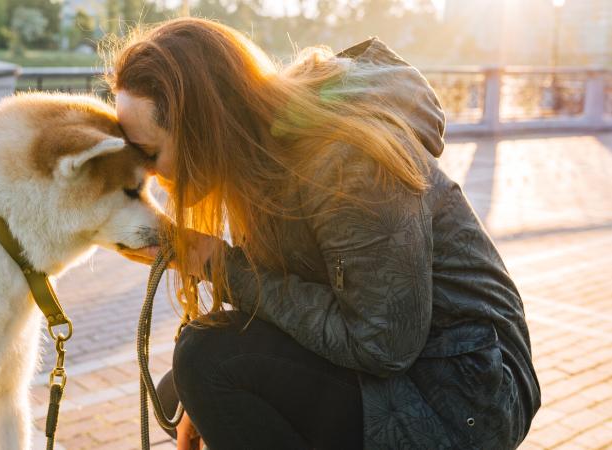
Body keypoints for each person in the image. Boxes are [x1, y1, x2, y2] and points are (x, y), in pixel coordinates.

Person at [111, 18, 540, 450]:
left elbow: (384, 344)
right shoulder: (259, 153)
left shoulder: (346, 160)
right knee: (181, 388)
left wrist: (217, 264)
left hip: (467, 391)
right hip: (417, 361)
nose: (148, 173)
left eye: (150, 153)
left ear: (206, 128)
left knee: (207, 362)